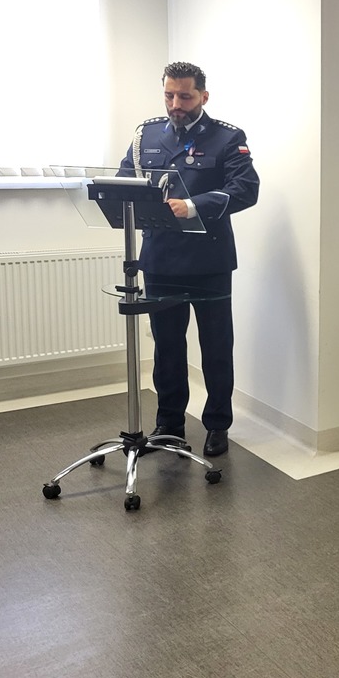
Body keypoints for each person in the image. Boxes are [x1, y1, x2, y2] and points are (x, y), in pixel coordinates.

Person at [120, 62, 260, 457]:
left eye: (185, 96)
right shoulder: (146, 135)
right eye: (169, 95)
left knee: (216, 348)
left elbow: (246, 188)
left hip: (208, 261)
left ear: (203, 96)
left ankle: (217, 424)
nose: (175, 104)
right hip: (160, 258)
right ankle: (169, 424)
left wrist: (193, 205)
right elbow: (124, 179)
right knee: (167, 348)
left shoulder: (227, 137)